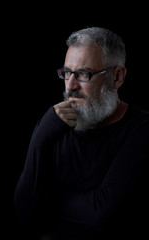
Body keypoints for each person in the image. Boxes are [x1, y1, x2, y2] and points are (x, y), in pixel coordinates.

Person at [14, 27, 149, 240]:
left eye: (84, 74)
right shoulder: (54, 123)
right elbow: (23, 211)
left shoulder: (141, 129)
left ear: (117, 77)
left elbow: (102, 214)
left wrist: (47, 200)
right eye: (67, 72)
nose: (70, 86)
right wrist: (41, 137)